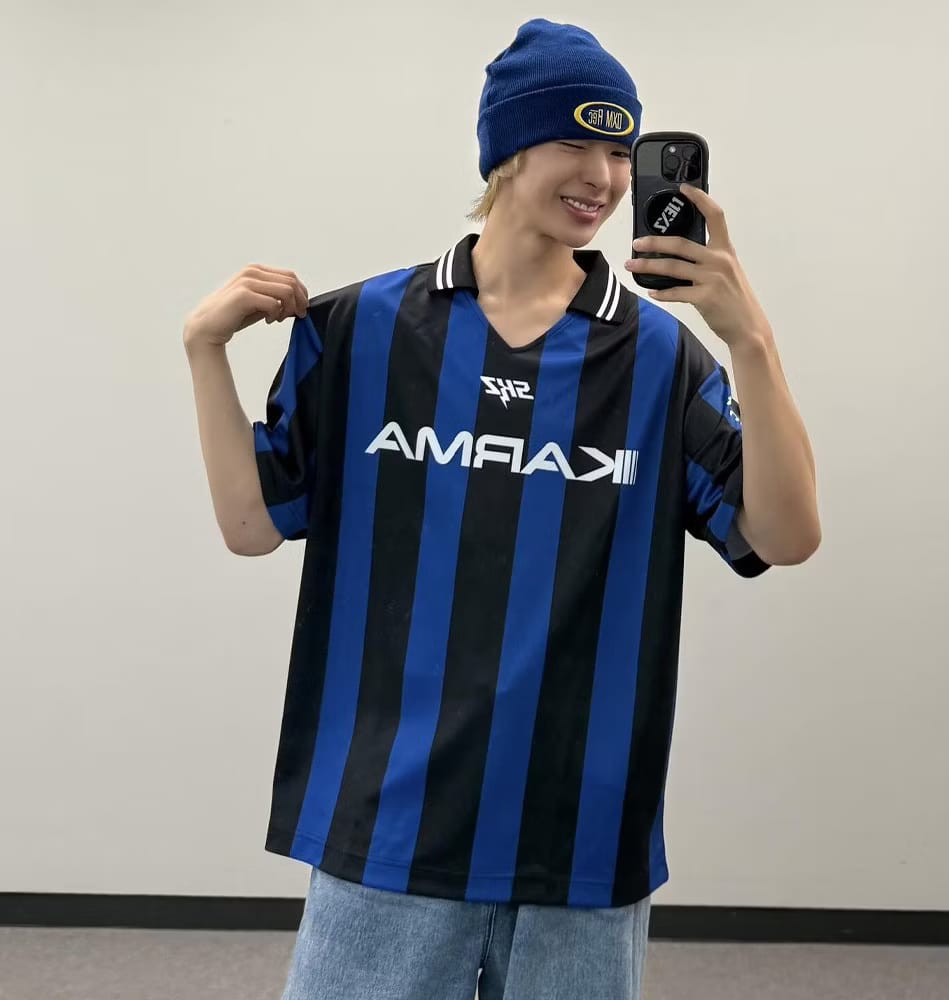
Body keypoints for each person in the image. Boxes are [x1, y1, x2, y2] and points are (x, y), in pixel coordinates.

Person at [182, 17, 820, 1000]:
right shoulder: (359, 328)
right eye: (575, 141)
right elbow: (251, 523)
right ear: (507, 148)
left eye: (622, 150)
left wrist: (752, 343)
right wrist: (204, 351)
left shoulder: (659, 356)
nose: (604, 177)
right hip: (387, 827)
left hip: (581, 835)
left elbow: (783, 535)